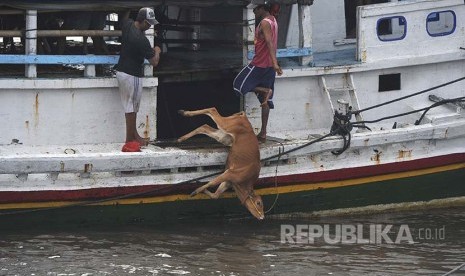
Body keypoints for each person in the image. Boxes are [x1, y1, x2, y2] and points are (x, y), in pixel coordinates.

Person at [233, 0, 282, 143]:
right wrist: (274, 64)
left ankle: (265, 91)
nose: (254, 11)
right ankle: (263, 133)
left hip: (259, 65)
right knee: (265, 103)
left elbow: (269, 42)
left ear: (262, 8)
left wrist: (274, 63)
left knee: (237, 85)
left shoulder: (265, 23)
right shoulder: (274, 21)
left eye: (256, 8)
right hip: (268, 68)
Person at [114, 7, 161, 151]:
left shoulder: (128, 25)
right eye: (149, 23)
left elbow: (124, 18)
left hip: (121, 71)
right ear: (144, 22)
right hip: (132, 75)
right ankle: (129, 140)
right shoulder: (141, 40)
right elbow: (154, 62)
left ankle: (135, 136)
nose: (150, 26)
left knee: (130, 107)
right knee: (132, 108)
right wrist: (158, 50)